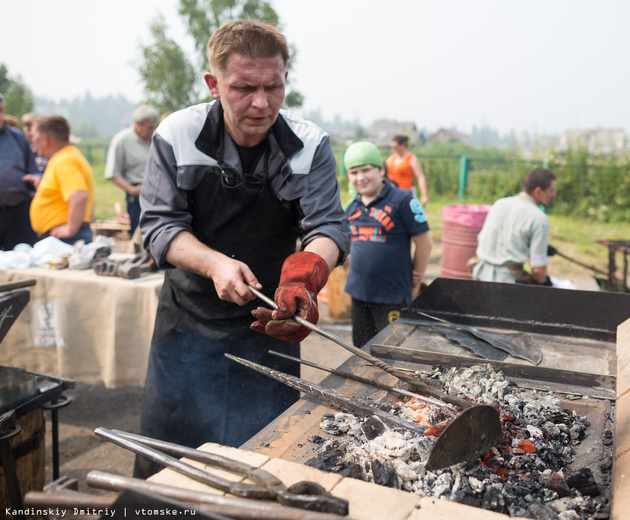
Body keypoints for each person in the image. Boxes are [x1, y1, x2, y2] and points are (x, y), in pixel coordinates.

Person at [137, 19, 349, 474]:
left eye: (273, 87)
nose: (261, 102)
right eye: (243, 87)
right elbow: (158, 225)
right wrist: (214, 264)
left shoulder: (308, 145)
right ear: (213, 83)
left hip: (270, 320)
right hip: (188, 325)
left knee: (263, 462)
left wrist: (305, 277)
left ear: (284, 79)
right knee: (173, 467)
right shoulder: (176, 134)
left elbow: (328, 226)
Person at [343, 141, 432, 347]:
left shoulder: (403, 201)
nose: (361, 177)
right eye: (354, 172)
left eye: (367, 170)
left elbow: (425, 244)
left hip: (392, 296)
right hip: (359, 294)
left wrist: (416, 280)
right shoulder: (352, 207)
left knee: (392, 353)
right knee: (362, 352)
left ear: (381, 170)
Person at [471, 167, 557, 286]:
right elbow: (538, 272)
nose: (553, 195)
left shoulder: (499, 203)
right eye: (551, 191)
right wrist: (548, 284)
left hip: (479, 277)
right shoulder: (539, 219)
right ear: (538, 191)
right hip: (507, 286)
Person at [28, 115, 94, 245]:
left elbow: (79, 195)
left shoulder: (64, 160)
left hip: (67, 239)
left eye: (34, 135)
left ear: (45, 138)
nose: (32, 140)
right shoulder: (68, 155)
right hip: (69, 236)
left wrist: (70, 228)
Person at [105, 105, 159, 236]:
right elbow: (113, 173)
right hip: (137, 196)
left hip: (160, 193)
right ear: (137, 124)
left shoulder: (157, 138)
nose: (153, 131)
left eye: (154, 127)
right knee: (140, 234)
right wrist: (133, 190)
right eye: (149, 128)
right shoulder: (122, 141)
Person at [0, 93, 41, 250]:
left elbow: (34, 170)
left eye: (1, 110)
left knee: (22, 261)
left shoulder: (17, 137)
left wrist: (36, 178)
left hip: (17, 212)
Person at [385, 134, 428, 207]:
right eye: (392, 147)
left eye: (396, 147)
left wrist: (424, 195)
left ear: (403, 145)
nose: (393, 150)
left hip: (406, 192)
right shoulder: (391, 159)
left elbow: (420, 177)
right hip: (392, 192)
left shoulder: (412, 159)